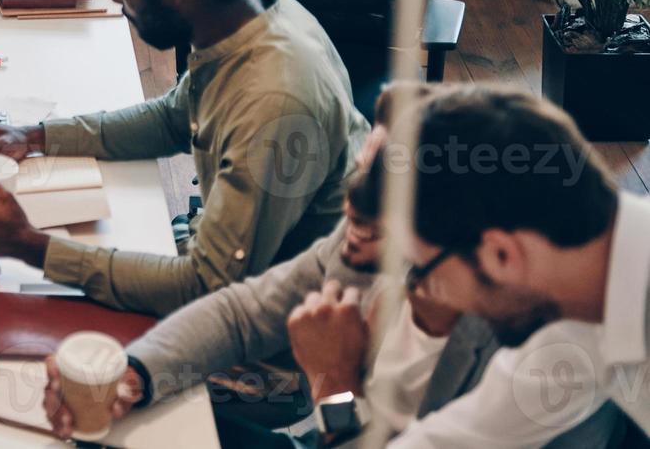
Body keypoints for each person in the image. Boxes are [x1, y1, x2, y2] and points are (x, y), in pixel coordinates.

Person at [36, 88, 623, 449]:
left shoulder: (542, 357)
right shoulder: (374, 233)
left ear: (495, 255)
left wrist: (334, 387)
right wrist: (137, 371)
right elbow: (246, 311)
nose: (354, 222)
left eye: (395, 231)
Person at [0, 0, 369, 314]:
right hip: (235, 266)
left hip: (286, 323)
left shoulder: (273, 100)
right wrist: (33, 137)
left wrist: (28, 246)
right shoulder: (257, 13)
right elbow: (175, 116)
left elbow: (205, 289)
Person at [297, 84, 649, 449]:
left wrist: (334, 383)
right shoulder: (562, 339)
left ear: (501, 254)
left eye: (420, 269)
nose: (411, 286)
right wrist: (336, 391)